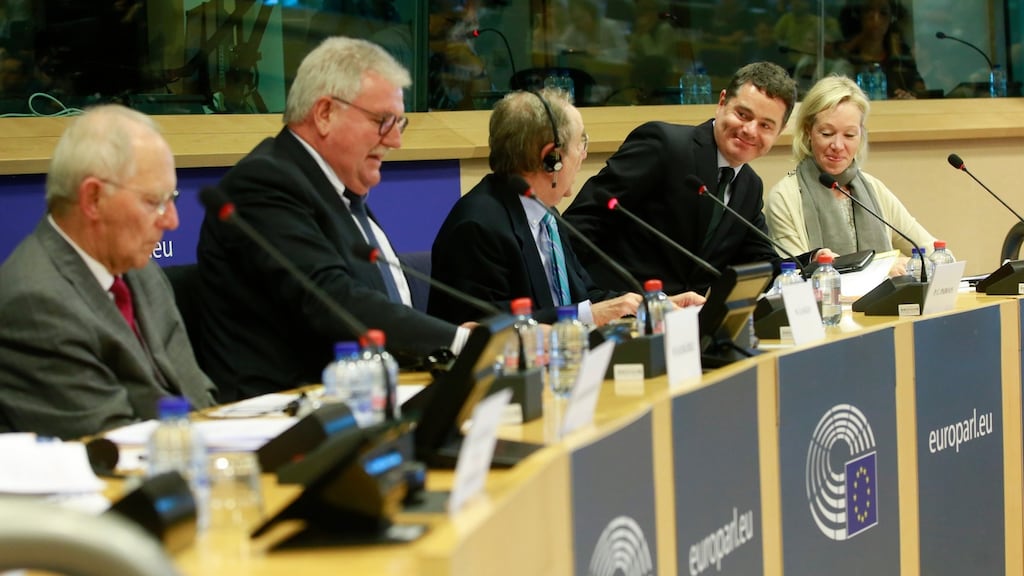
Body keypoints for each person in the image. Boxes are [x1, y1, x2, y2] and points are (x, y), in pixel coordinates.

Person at [197, 37, 470, 402]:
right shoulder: (263, 184)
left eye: (399, 123)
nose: (395, 141)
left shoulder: (337, 191)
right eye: (383, 121)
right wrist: (458, 341)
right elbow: (332, 300)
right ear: (325, 113)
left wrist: (450, 342)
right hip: (283, 422)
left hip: (363, 402)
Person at [0, 104, 217, 439]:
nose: (172, 221)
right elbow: (105, 445)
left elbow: (197, 397)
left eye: (171, 198)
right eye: (153, 201)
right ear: (93, 198)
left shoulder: (140, 271)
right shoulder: (34, 303)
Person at [430, 89, 700, 326]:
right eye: (581, 143)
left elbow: (584, 298)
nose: (583, 155)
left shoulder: (546, 215)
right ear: (552, 158)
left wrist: (654, 305)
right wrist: (587, 315)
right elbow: (487, 328)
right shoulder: (478, 227)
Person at [563, 61, 800, 296]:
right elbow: (582, 224)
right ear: (722, 102)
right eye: (742, 114)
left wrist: (812, 264)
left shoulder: (749, 185)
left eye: (765, 125)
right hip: (619, 310)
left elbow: (760, 261)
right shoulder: (664, 145)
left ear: (780, 131)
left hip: (686, 320)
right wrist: (587, 302)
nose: (750, 130)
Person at [764, 75, 940, 275]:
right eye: (827, 133)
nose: (838, 146)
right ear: (808, 131)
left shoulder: (873, 188)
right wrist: (882, 269)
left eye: (849, 135)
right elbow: (797, 276)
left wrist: (914, 264)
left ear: (861, 135)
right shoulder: (784, 197)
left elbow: (936, 252)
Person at [835, 0, 926, 99]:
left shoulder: (902, 61)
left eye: (883, 13)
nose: (876, 18)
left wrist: (908, 99)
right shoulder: (844, 63)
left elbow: (922, 94)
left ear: (891, 18)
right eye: (869, 11)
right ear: (858, 15)